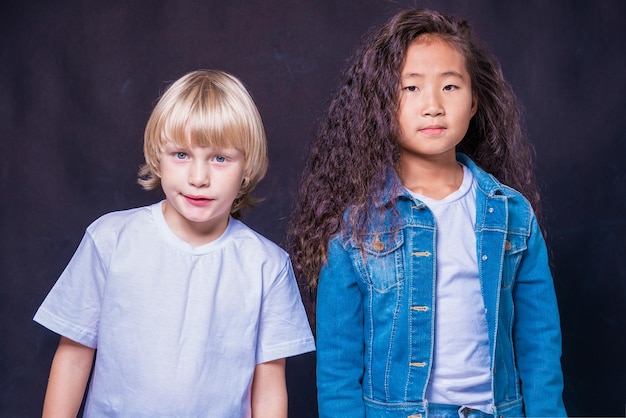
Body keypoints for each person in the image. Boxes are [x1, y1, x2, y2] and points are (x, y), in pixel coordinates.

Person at [286, 8, 566, 418]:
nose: (433, 105)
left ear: (474, 102)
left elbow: (540, 345)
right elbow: (338, 371)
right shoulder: (354, 229)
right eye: (410, 88)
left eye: (450, 86)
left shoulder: (513, 215)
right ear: (382, 105)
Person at [34, 70, 315, 417]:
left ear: (247, 166)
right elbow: (74, 357)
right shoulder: (110, 240)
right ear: (157, 157)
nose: (198, 178)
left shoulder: (267, 266)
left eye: (220, 158)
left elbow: (269, 390)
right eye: (181, 155)